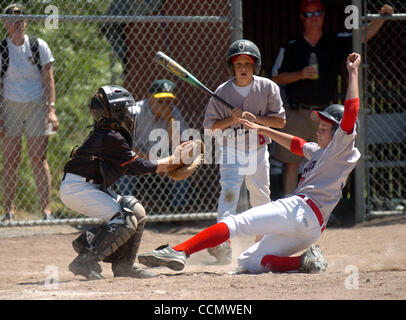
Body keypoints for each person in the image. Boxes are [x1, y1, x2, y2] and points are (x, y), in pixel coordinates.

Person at [138, 52, 362, 275]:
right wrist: (262, 128)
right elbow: (296, 144)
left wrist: (352, 73)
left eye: (325, 129)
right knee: (249, 261)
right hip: (310, 229)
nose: (319, 130)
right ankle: (306, 262)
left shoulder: (341, 149)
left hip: (300, 209)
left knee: (237, 223)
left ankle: (179, 250)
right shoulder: (320, 152)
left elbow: (351, 111)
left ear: (341, 134)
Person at [59, 85, 195, 280]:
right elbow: (138, 166)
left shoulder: (111, 134)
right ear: (111, 113)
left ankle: (124, 265)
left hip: (88, 186)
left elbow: (131, 168)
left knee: (137, 211)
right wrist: (172, 160)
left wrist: (167, 163)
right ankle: (86, 258)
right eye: (122, 110)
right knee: (125, 218)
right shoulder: (109, 136)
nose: (128, 115)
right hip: (78, 188)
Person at [271, 0, 394, 196]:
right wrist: (300, 74)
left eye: (318, 13)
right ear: (302, 18)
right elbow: (275, 76)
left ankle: (319, 208)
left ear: (324, 15)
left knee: (325, 162)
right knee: (291, 163)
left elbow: (361, 36)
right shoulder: (292, 45)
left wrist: (380, 17)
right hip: (297, 111)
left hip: (325, 115)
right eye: (309, 14)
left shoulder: (333, 41)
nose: (314, 18)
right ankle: (288, 204)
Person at [202, 39, 286, 264]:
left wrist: (256, 119)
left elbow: (280, 122)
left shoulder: (268, 87)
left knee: (260, 195)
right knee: (229, 194)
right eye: (238, 64)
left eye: (248, 64)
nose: (243, 68)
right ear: (232, 67)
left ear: (255, 66)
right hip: (231, 150)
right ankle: (223, 244)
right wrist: (231, 119)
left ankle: (263, 242)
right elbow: (209, 128)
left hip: (258, 150)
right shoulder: (222, 92)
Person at [0, 3, 58, 222]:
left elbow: (48, 79)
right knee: (10, 160)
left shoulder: (38, 45)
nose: (18, 23)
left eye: (21, 18)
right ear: (6, 23)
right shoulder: (2, 49)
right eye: (13, 19)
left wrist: (51, 109)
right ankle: (9, 211)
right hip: (10, 105)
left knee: (38, 158)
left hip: (36, 105)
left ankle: (46, 211)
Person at [114, 79, 190, 210]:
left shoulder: (173, 113)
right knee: (125, 162)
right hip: (136, 154)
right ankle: (126, 210)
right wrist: (149, 157)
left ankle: (178, 210)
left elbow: (180, 145)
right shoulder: (134, 112)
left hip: (161, 154)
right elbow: (120, 145)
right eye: (160, 101)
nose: (165, 105)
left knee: (183, 160)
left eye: (168, 101)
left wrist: (169, 120)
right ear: (149, 97)